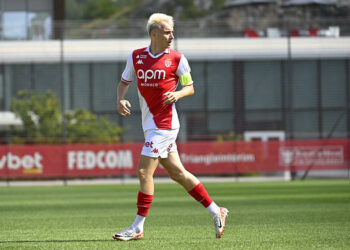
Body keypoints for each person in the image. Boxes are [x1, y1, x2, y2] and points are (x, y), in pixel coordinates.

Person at [113, 13, 228, 241]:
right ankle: (217, 210)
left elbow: (190, 87)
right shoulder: (136, 57)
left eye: (172, 32)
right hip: (150, 124)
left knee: (144, 172)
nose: (171, 36)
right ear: (154, 33)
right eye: (167, 32)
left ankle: (137, 227)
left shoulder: (177, 59)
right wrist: (120, 100)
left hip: (164, 125)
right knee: (178, 173)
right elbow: (124, 83)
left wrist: (178, 93)